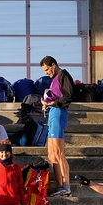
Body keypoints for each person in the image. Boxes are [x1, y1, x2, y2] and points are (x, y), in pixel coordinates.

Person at [40, 56, 74, 197]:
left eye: (47, 69)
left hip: (59, 113)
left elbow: (68, 96)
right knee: (52, 155)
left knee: (59, 153)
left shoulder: (63, 75)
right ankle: (59, 186)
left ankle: (66, 186)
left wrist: (52, 103)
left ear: (53, 65)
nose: (46, 72)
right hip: (53, 114)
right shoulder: (54, 79)